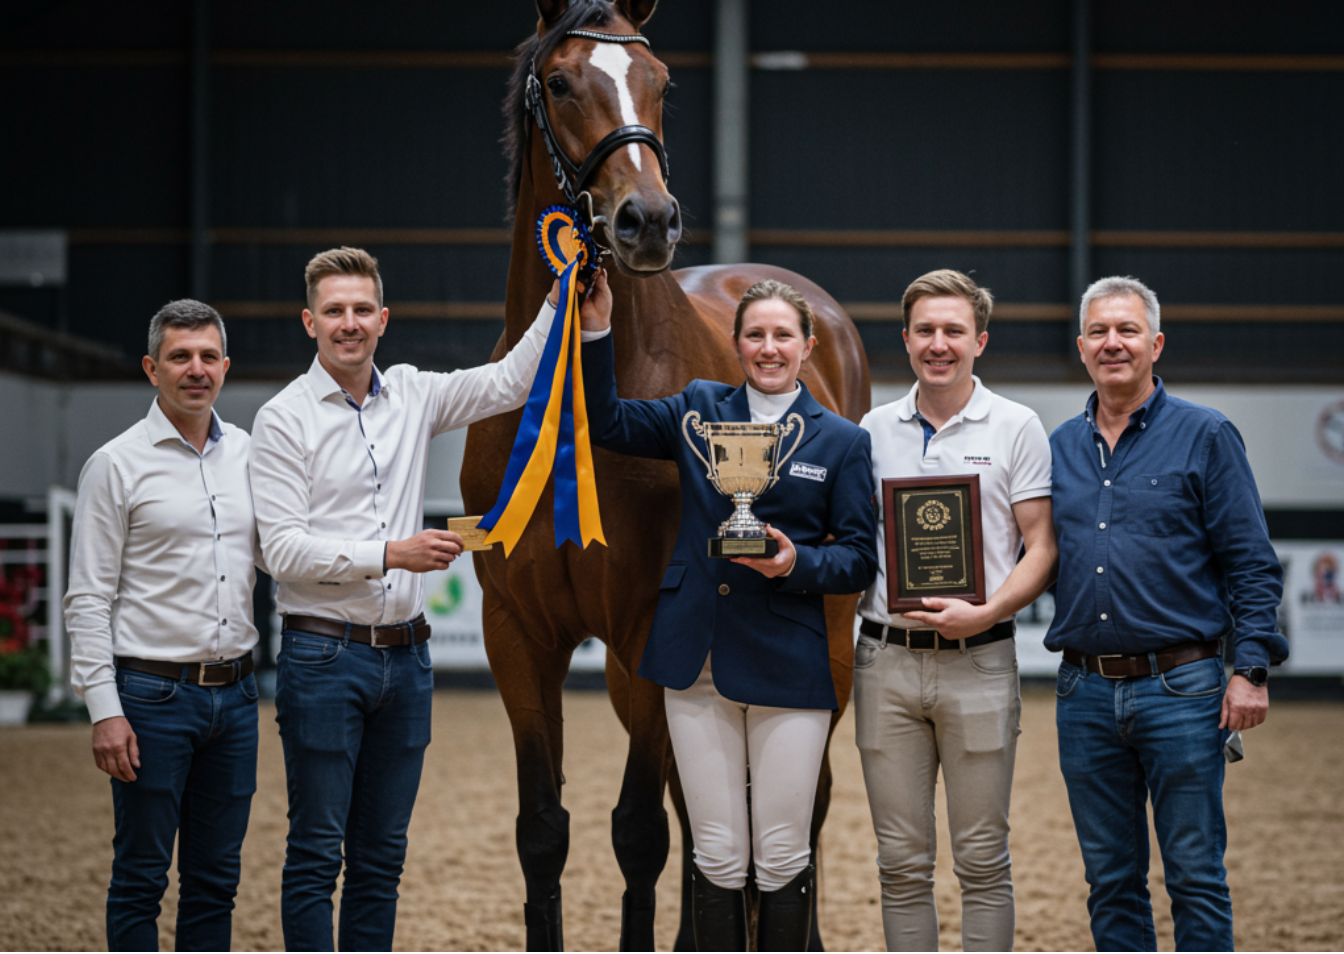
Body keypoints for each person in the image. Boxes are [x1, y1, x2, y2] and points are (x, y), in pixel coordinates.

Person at [248, 246, 557, 951]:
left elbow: (511, 380)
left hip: (407, 661)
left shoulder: (414, 394)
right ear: (309, 322)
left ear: (383, 319)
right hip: (322, 655)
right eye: (334, 312)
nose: (348, 324)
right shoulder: (282, 420)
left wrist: (560, 298)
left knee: (382, 859)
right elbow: (283, 551)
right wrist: (392, 553)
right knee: (318, 854)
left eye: (361, 310)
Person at [577, 270, 878, 951]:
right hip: (696, 660)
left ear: (806, 346)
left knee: (780, 855)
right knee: (714, 854)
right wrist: (597, 330)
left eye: (782, 336)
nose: (768, 348)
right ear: (737, 344)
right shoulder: (696, 409)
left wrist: (793, 562)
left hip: (786, 663)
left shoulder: (841, 442)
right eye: (755, 336)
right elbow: (606, 421)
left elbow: (858, 559)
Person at [1047, 275, 1288, 951]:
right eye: (1098, 331)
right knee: (1111, 880)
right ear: (1081, 346)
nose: (1112, 343)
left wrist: (1252, 670)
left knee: (1195, 875)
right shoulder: (1058, 446)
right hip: (1083, 691)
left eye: (1126, 330)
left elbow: (1250, 561)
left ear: (1155, 344)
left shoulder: (1206, 435)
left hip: (1183, 689)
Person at [853, 269, 1057, 951]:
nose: (939, 344)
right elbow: (852, 546)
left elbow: (1041, 547)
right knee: (901, 865)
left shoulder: (1017, 426)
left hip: (981, 659)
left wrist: (986, 611)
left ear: (980, 340)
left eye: (954, 331)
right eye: (926, 331)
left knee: (982, 862)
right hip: (886, 664)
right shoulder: (871, 431)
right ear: (906, 339)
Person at [64, 300, 262, 952]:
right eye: (180, 356)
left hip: (235, 701)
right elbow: (87, 598)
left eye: (208, 356)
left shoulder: (252, 459)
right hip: (151, 700)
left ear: (226, 367)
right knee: (141, 877)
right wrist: (104, 710)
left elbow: (287, 552)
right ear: (153, 368)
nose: (196, 369)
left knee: (216, 880)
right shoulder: (115, 465)